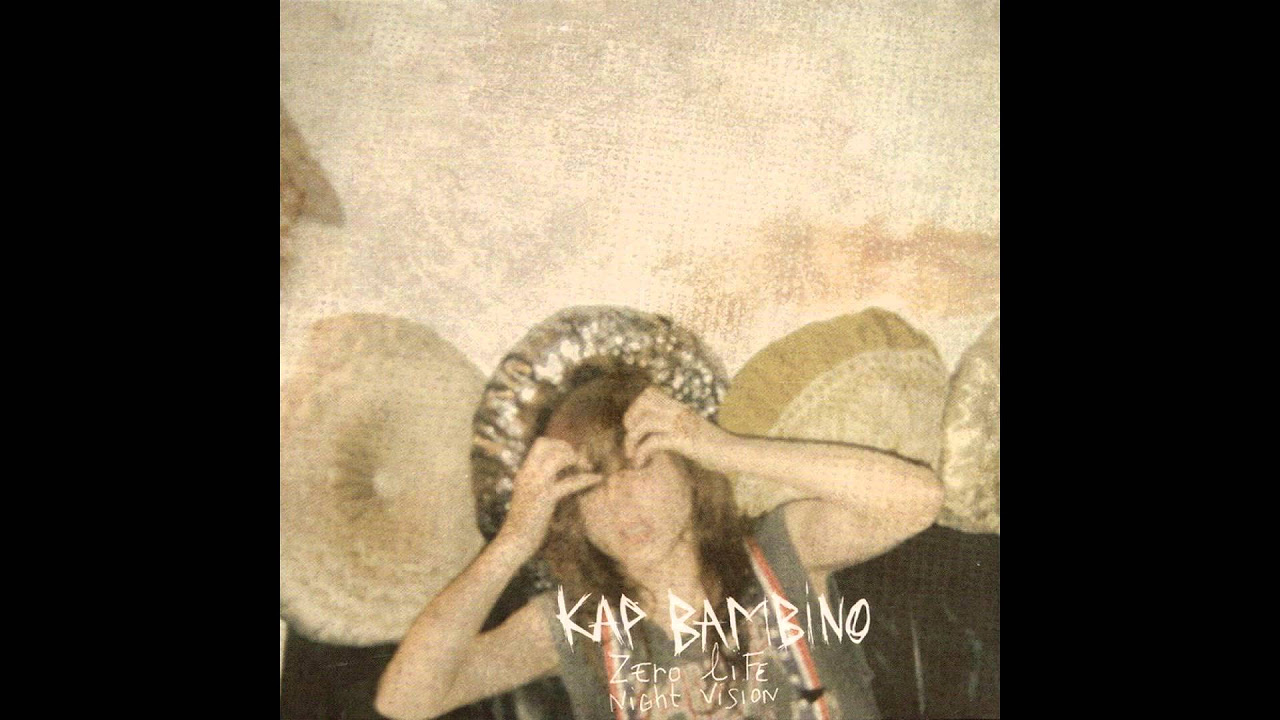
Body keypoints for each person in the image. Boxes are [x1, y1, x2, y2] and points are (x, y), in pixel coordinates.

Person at [375, 367, 943, 720]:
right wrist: (514, 541)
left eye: (639, 468)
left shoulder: (781, 552)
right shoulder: (576, 623)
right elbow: (405, 701)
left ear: (690, 473)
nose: (620, 503)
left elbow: (918, 499)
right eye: (592, 486)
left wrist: (726, 448)